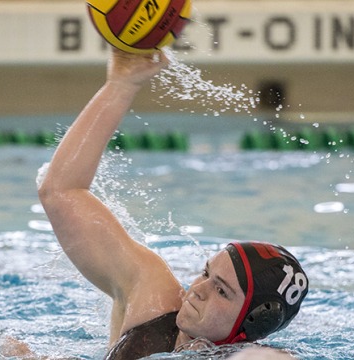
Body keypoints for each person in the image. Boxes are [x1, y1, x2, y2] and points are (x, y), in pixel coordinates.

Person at [37, 48, 309, 359]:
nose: (197, 289)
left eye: (222, 291)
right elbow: (61, 192)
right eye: (206, 273)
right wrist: (121, 85)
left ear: (252, 323)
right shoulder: (153, 300)